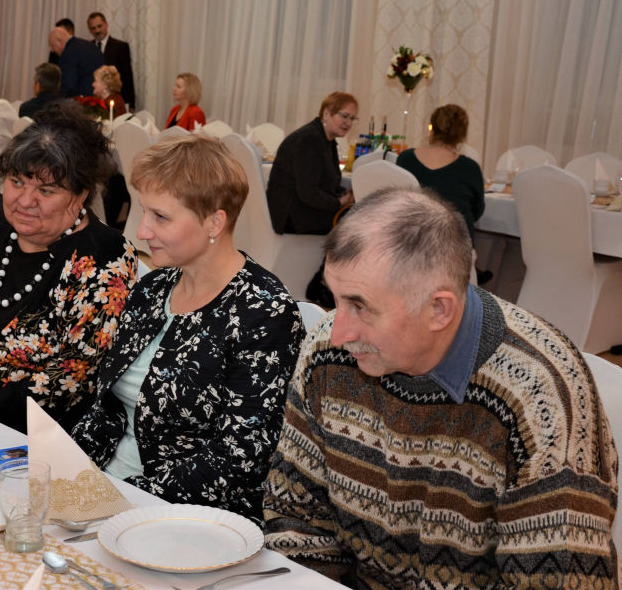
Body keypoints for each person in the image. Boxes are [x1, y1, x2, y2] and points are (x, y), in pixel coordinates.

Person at [262, 187, 619, 588]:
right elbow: (297, 516)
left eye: (360, 306)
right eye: (336, 299)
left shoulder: (541, 400)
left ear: (439, 309)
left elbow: (557, 581)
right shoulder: (327, 354)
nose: (338, 331)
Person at [72, 135, 305, 524]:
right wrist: (66, 471)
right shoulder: (152, 289)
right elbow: (106, 410)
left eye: (160, 217)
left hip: (186, 518)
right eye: (144, 211)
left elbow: (240, 459)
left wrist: (126, 500)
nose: (142, 231)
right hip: (106, 491)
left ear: (215, 221)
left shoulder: (264, 312)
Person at [0, 103, 137, 434]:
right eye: (16, 182)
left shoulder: (105, 258)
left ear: (80, 196)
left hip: (32, 430)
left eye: (46, 190)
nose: (24, 200)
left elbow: (76, 376)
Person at [397, 104, 490, 284]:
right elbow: (477, 211)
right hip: (454, 252)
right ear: (462, 134)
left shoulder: (405, 158)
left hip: (409, 247)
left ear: (431, 127)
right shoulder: (469, 168)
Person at [266, 91, 356, 235]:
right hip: (291, 216)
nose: (349, 123)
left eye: (352, 118)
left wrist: (344, 194)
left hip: (301, 208)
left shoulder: (325, 139)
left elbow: (327, 183)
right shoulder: (309, 140)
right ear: (326, 114)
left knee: (357, 216)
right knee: (357, 224)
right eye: (344, 116)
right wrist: (339, 203)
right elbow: (308, 193)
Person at [87, 12, 135, 110]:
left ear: (106, 24)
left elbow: (127, 77)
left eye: (99, 26)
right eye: (93, 28)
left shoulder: (121, 47)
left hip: (116, 102)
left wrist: (131, 104)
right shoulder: (87, 48)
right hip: (93, 102)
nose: (97, 30)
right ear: (90, 30)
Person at [48, 26, 102, 97]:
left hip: (81, 100)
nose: (52, 50)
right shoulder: (91, 46)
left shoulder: (67, 53)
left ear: (59, 41)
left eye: (52, 46)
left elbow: (68, 86)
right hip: (99, 98)